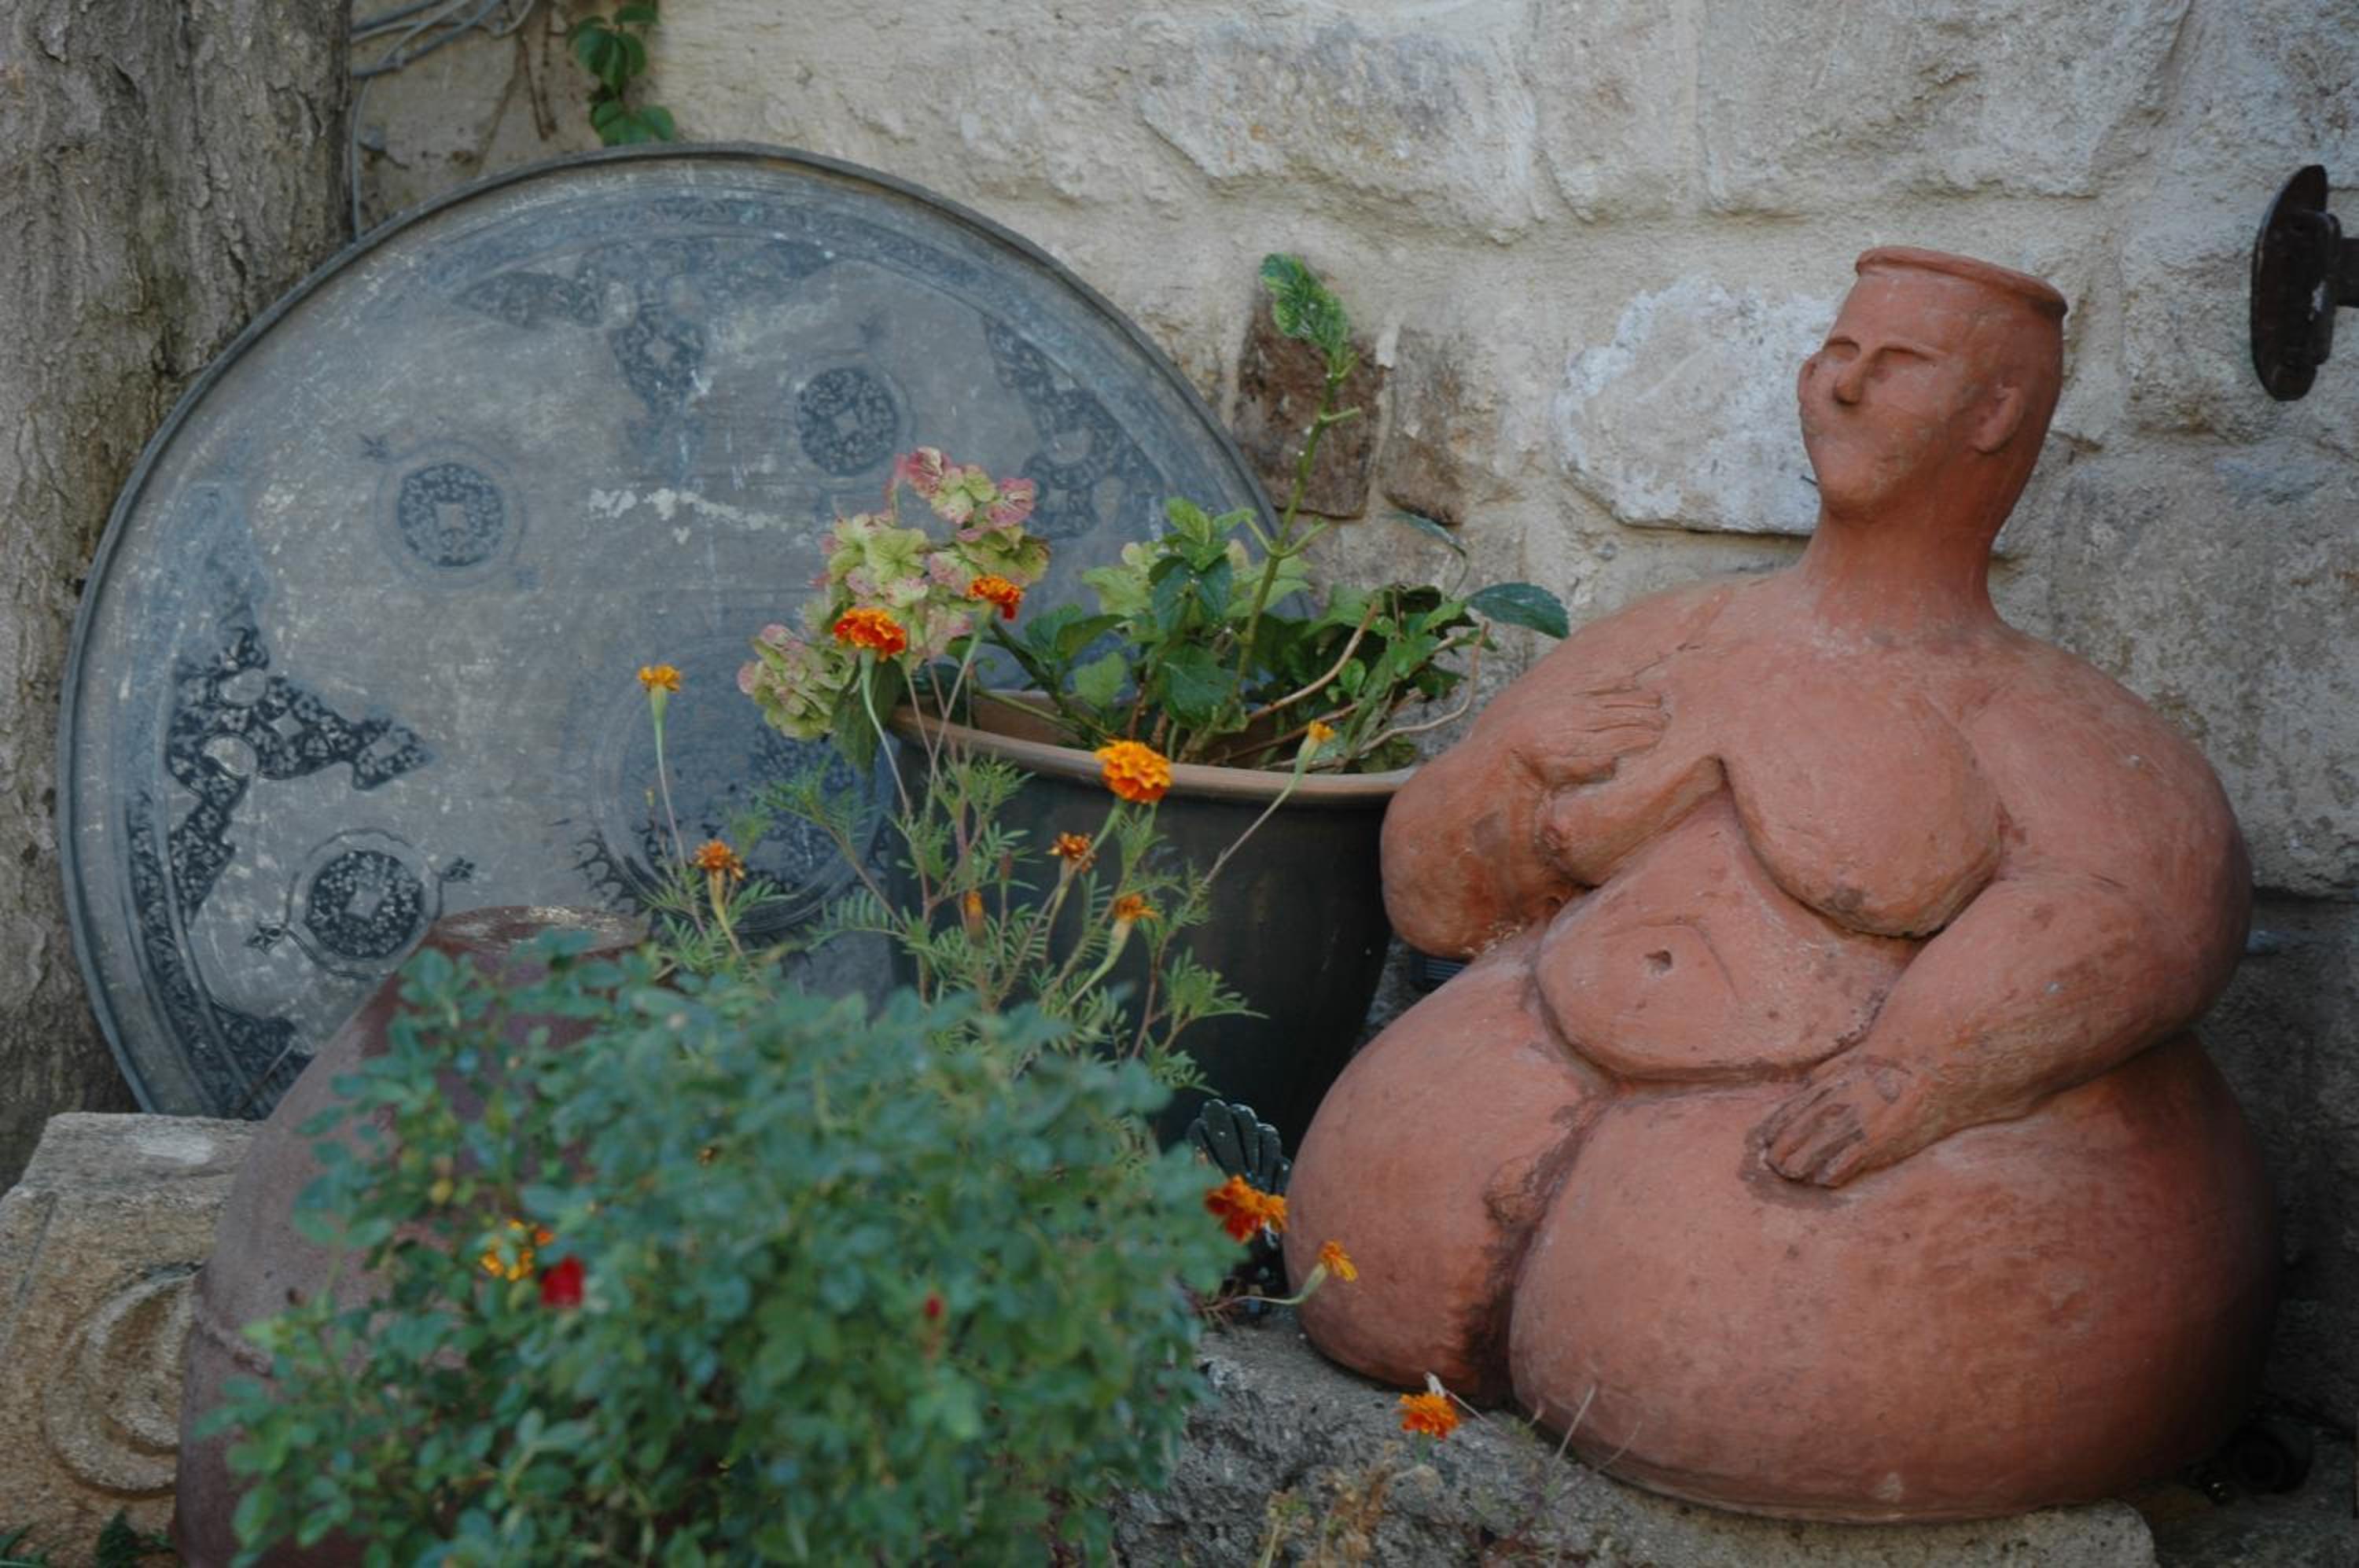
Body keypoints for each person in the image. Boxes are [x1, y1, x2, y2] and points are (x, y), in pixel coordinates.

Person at [1284, 248, 2276, 1522]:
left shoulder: (2051, 723)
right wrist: (1511, 771)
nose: (1845, 387)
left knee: (1748, 1350)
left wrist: (1915, 1070)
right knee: (1376, 1250)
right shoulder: (1675, 637)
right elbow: (1438, 903)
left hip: (1792, 1194)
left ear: (1996, 413)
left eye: (1896, 365)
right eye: (1835, 354)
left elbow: (2138, 917)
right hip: (1521, 1104)